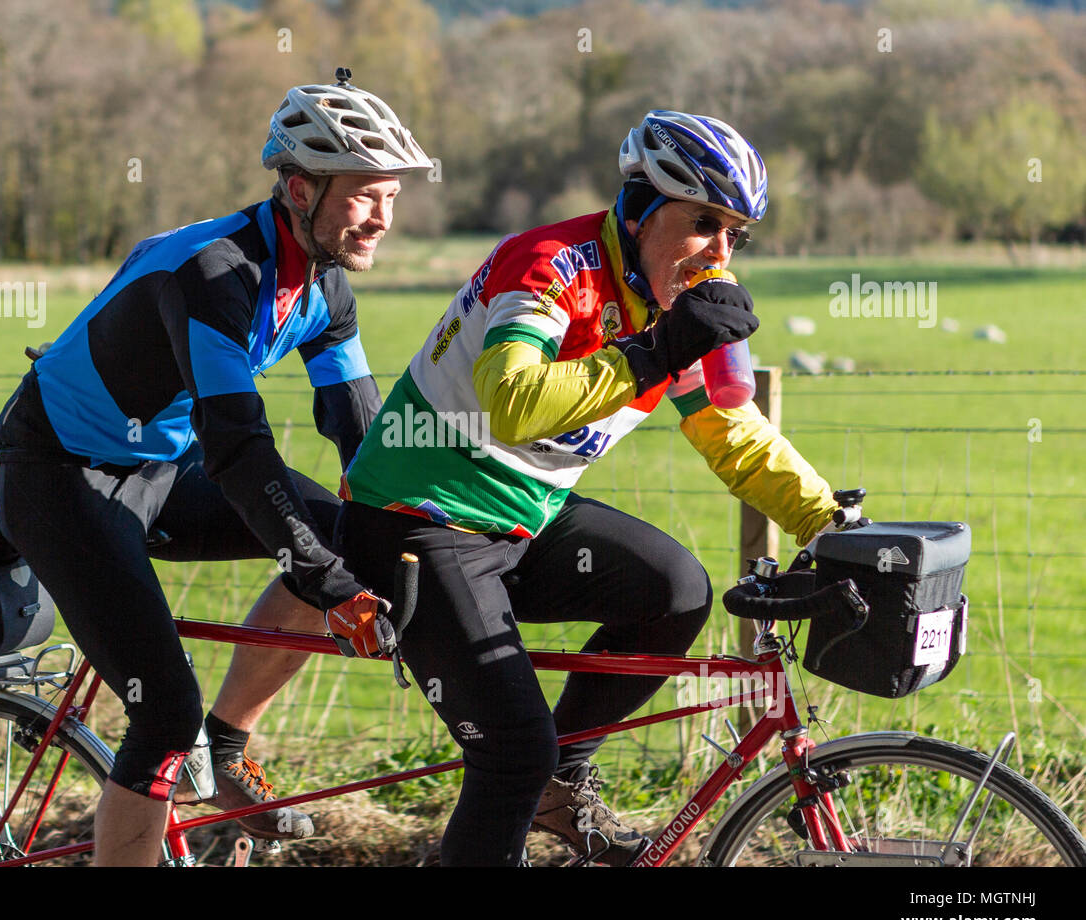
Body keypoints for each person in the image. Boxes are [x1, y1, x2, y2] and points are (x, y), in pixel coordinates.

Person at [334, 110, 845, 866]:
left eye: (736, 233)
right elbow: (511, 401)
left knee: (674, 590)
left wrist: (830, 523)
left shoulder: (678, 303)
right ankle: (531, 776)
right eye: (704, 222)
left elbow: (730, 432)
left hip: (520, 521)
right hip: (416, 520)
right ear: (640, 208)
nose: (720, 251)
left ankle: (561, 786)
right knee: (510, 753)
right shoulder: (548, 263)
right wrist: (650, 355)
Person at [0, 70, 429, 865]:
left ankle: (226, 748)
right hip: (60, 476)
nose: (381, 220)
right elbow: (237, 447)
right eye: (365, 196)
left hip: (159, 469)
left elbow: (353, 421)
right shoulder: (214, 274)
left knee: (342, 532)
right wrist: (330, 585)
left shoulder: (325, 283)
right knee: (162, 711)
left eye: (392, 198)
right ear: (299, 189)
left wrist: (395, 529)